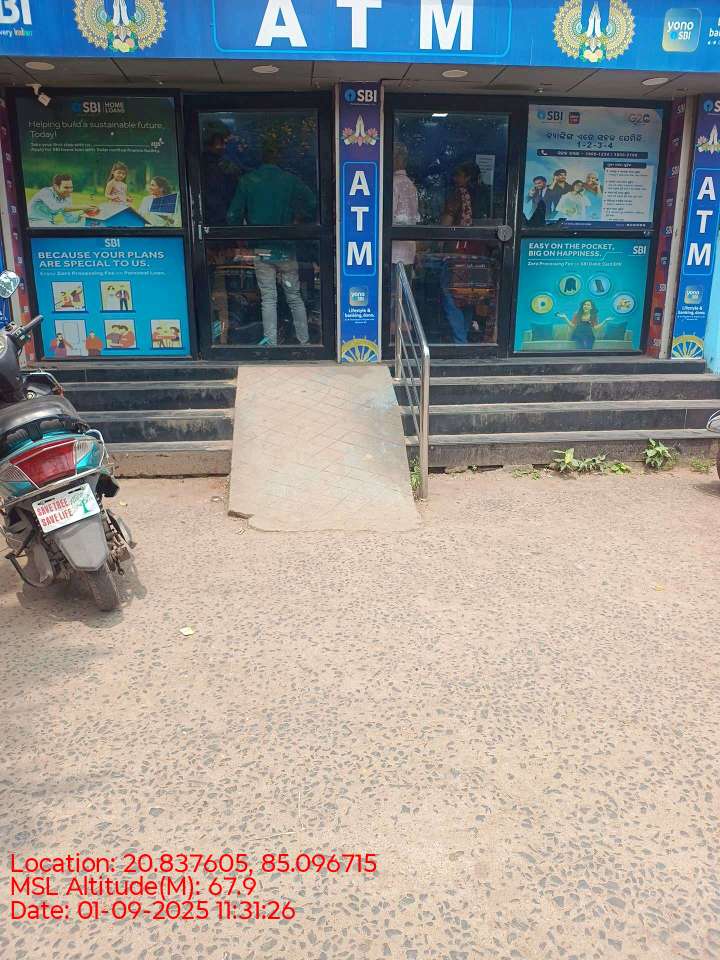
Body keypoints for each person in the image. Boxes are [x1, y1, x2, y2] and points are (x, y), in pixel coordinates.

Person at [227, 139, 316, 346]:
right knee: (294, 296)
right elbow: (312, 203)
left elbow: (232, 215)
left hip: (262, 248)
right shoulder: (290, 180)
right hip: (286, 247)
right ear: (279, 157)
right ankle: (304, 341)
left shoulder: (248, 181)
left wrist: (243, 236)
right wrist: (298, 218)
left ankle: (271, 343)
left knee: (268, 298)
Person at [440, 162, 484, 344]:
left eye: (458, 174)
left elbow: (446, 224)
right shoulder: (482, 196)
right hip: (477, 252)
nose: (454, 178)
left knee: (450, 296)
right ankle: (463, 338)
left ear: (467, 177)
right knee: (468, 296)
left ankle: (459, 341)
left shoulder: (458, 195)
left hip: (456, 252)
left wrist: (436, 242)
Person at [200, 126, 242, 225]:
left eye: (225, 143)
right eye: (221, 143)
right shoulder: (215, 167)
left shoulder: (221, 164)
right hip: (218, 219)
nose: (224, 147)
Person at [392, 142, 419, 273]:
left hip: (394, 252)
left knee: (393, 286)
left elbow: (387, 217)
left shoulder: (393, 184)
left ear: (398, 159)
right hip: (409, 250)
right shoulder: (411, 185)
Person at [27, 174, 96, 226]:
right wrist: (82, 207)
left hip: (48, 223)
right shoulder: (46, 192)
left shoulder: (67, 197)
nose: (70, 190)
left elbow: (70, 219)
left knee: (82, 224)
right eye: (66, 187)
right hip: (33, 222)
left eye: (71, 187)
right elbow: (55, 207)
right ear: (56, 186)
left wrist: (83, 213)